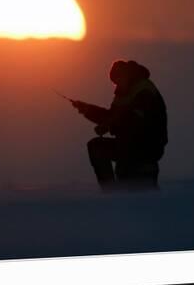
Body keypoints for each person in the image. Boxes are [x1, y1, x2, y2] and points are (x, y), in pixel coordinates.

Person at [72, 60, 168, 190]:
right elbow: (112, 116)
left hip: (146, 147)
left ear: (126, 75)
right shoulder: (123, 93)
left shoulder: (145, 91)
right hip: (128, 145)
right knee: (96, 147)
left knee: (98, 148)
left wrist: (108, 126)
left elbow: (134, 121)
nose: (116, 85)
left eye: (118, 80)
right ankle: (110, 190)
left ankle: (111, 191)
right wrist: (88, 110)